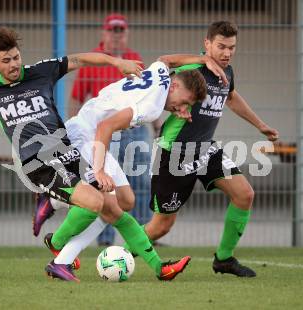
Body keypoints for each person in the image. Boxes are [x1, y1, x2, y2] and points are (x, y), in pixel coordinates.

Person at [0, 27, 188, 283]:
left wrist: (116, 62)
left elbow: (80, 59)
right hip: (39, 164)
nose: (14, 65)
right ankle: (57, 251)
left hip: (68, 155)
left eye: (16, 57)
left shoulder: (40, 72)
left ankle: (159, 267)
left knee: (116, 209)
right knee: (95, 202)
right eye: (6, 61)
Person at [43, 57, 225, 281]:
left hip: (92, 136)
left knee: (125, 201)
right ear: (175, 86)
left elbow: (166, 59)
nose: (183, 108)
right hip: (83, 136)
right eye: (185, 101)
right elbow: (105, 126)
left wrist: (203, 59)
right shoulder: (152, 106)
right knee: (104, 203)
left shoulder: (161, 75)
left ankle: (55, 230)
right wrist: (99, 171)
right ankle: (62, 257)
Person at [124, 21, 280, 278]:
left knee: (244, 194)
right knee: (161, 226)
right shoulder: (193, 68)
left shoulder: (227, 72)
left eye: (232, 47)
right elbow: (162, 71)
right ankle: (119, 257)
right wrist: (176, 104)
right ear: (207, 43)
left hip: (205, 149)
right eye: (221, 46)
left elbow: (231, 96)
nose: (227, 53)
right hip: (174, 152)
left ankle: (224, 259)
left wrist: (260, 125)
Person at [33, 13, 152, 246]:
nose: (116, 36)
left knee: (139, 183)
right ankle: (105, 240)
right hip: (101, 133)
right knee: (101, 186)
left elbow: (142, 95)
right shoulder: (96, 62)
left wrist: (155, 125)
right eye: (112, 31)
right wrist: (75, 136)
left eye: (120, 31)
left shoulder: (133, 59)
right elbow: (77, 99)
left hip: (130, 130)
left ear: (126, 34)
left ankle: (144, 233)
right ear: (104, 33)